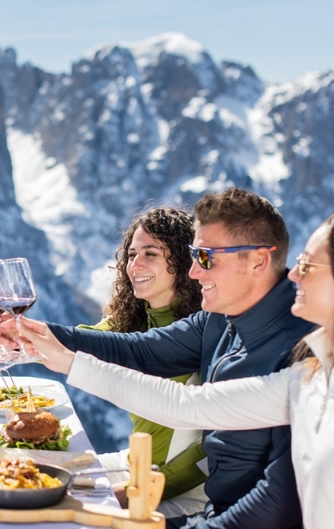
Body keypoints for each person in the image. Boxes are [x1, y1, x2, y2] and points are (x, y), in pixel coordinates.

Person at [19, 207, 334, 529]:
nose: (294, 274)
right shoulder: (309, 379)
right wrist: (64, 358)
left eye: (309, 265)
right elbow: (186, 405)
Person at [0, 187, 312, 529]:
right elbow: (140, 351)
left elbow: (278, 500)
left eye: (205, 257)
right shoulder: (221, 317)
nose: (193, 272)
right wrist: (39, 336)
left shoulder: (298, 351)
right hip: (209, 513)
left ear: (258, 260)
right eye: (192, 255)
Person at [83, 207, 206, 517]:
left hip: (186, 494)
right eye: (132, 254)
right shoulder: (133, 319)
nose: (134, 264)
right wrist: (19, 335)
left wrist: (133, 492)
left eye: (150, 253)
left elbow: (207, 456)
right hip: (136, 467)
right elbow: (78, 344)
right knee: (45, 482)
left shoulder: (206, 333)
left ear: (182, 261)